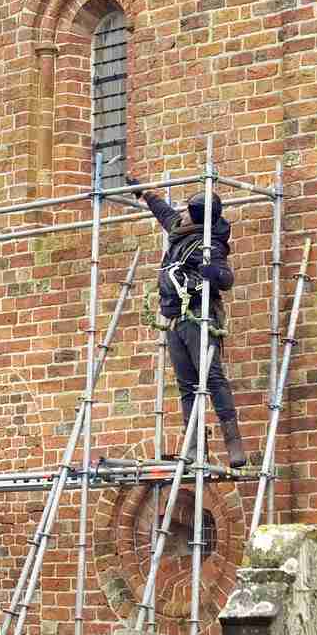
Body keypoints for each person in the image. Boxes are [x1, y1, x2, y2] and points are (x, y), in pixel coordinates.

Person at [126, 175, 248, 469]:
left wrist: (209, 272)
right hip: (173, 317)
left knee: (212, 377)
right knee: (186, 384)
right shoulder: (181, 229)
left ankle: (233, 442)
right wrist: (146, 192)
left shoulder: (211, 244)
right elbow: (164, 212)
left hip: (197, 316)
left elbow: (226, 279)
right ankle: (194, 445)